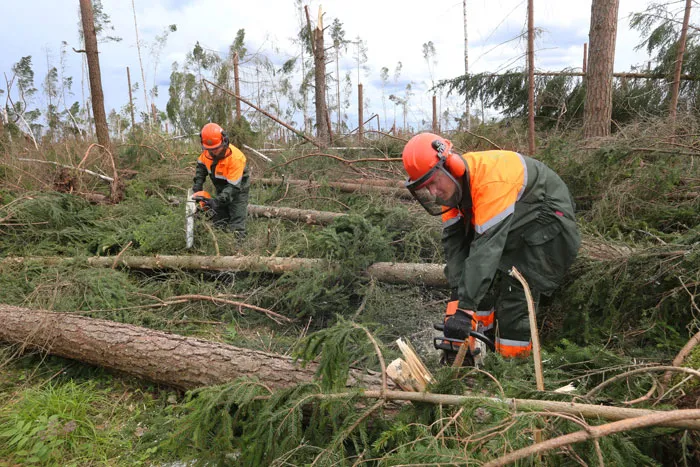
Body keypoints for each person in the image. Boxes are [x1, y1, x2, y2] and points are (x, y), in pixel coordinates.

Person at [402, 132, 581, 358]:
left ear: (452, 166)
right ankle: (478, 347)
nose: (433, 193)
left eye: (434, 183)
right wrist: (458, 301)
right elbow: (456, 248)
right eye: (426, 188)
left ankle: (512, 364)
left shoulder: (491, 181)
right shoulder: (454, 193)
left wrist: (465, 311)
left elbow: (486, 248)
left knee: (514, 286)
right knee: (476, 283)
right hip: (516, 217)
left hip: (546, 219)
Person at [192, 122, 250, 237]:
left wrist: (217, 201)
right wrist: (198, 185)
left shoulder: (236, 158)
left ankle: (238, 250)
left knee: (236, 222)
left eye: (215, 149)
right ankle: (220, 242)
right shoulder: (207, 153)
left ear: (224, 141)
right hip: (220, 188)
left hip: (238, 189)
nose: (212, 152)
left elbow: (233, 187)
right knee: (219, 220)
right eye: (209, 149)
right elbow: (201, 167)